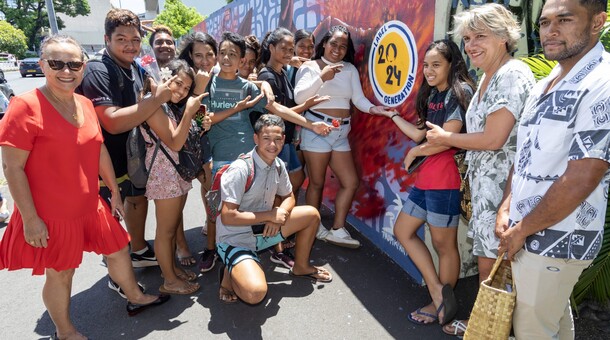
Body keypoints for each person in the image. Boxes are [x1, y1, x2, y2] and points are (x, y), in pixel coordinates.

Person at [0, 34, 169, 340]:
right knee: (62, 273)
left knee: (118, 248)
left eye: (74, 63)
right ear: (42, 65)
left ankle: (136, 296)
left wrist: (113, 191)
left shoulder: (85, 103)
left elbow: (98, 148)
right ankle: (65, 332)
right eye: (57, 63)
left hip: (90, 202)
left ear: (82, 65)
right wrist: (30, 219)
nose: (67, 70)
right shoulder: (24, 106)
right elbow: (12, 168)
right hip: (52, 213)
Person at [496, 0, 610, 338]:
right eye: (544, 22)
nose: (551, 30)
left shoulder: (602, 83)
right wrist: (506, 206)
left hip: (558, 240)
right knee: (551, 326)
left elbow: (583, 176)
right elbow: (525, 155)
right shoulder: (544, 83)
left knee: (532, 330)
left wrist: (521, 230)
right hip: (528, 234)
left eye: (564, 19)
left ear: (597, 22)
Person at [425, 4, 535, 336]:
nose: (471, 45)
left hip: (503, 191)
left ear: (504, 37)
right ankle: (485, 325)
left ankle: (487, 328)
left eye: (480, 36)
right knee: (493, 263)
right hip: (487, 188)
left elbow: (493, 138)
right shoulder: (489, 74)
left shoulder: (511, 75)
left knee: (494, 267)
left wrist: (447, 137)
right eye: (468, 38)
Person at [77, 9, 174, 279]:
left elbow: (154, 85)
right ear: (107, 39)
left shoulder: (134, 66)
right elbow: (112, 122)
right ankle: (120, 282)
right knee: (111, 224)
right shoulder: (98, 70)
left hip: (129, 159)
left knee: (137, 199)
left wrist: (161, 88)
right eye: (122, 39)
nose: (130, 45)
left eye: (135, 38)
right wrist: (157, 100)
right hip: (103, 163)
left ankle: (139, 249)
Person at [388, 39, 475, 326]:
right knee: (403, 230)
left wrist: (416, 152)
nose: (428, 70)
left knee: (444, 245)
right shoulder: (432, 95)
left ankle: (443, 307)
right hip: (427, 178)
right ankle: (438, 291)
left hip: (446, 178)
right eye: (426, 65)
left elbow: (446, 139)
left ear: (453, 65)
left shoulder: (458, 93)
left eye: (436, 65)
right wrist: (391, 115)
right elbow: (419, 135)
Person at [293, 25, 393, 248]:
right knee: (316, 183)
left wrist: (374, 109)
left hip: (341, 133)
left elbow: (357, 99)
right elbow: (299, 98)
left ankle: (338, 229)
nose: (337, 49)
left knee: (350, 182)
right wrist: (322, 77)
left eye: (343, 46)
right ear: (325, 44)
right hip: (317, 131)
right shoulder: (310, 66)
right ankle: (313, 226)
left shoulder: (349, 69)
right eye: (333, 44)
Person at [216, 114, 332, 304]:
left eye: (278, 139)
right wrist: (270, 214)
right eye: (267, 139)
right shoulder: (240, 169)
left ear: (284, 140)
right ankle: (229, 275)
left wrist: (277, 216)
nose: (273, 144)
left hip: (265, 230)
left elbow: (289, 196)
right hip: (235, 239)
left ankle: (301, 267)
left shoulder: (278, 164)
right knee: (255, 294)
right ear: (256, 139)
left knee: (311, 214)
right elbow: (228, 217)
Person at [258, 27, 330, 268]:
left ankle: (277, 232)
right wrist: (311, 125)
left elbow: (286, 110)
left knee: (293, 184)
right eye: (284, 48)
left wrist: (308, 105)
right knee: (280, 193)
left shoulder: (282, 73)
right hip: (272, 144)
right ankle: (275, 244)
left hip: (286, 142)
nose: (290, 52)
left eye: (292, 48)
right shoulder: (267, 76)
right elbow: (276, 110)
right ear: (271, 48)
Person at [141, 59, 210, 294]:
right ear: (164, 77)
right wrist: (190, 113)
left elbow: (183, 134)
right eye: (177, 84)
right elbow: (175, 142)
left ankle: (171, 269)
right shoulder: (152, 104)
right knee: (165, 231)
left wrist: (198, 119)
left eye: (185, 88)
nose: (180, 92)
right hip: (164, 173)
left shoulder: (167, 104)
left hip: (175, 171)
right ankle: (169, 280)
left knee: (170, 228)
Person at [177, 32, 220, 272]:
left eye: (209, 55)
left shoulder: (220, 76)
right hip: (187, 146)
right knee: (183, 197)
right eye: (198, 55)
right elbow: (184, 117)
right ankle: (188, 244)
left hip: (214, 144)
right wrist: (198, 89)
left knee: (211, 187)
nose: (204, 61)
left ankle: (215, 232)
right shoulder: (184, 78)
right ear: (190, 57)